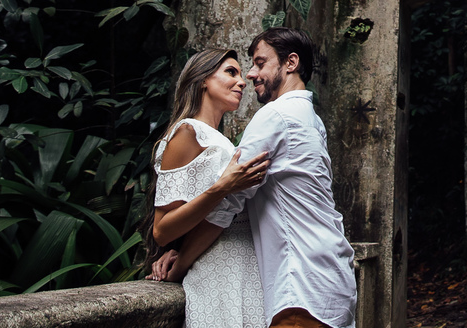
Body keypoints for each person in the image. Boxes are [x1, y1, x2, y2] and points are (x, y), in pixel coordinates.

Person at [165, 28, 357, 328]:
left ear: (290, 63)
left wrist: (179, 268)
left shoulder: (275, 116)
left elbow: (227, 202)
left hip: (301, 287)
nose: (251, 75)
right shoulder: (311, 119)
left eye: (259, 63)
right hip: (331, 280)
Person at [144, 47, 271, 328]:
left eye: (241, 74)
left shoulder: (221, 141)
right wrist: (222, 188)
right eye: (230, 72)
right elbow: (162, 230)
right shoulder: (187, 132)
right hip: (218, 272)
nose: (241, 82)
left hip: (248, 266)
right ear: (202, 79)